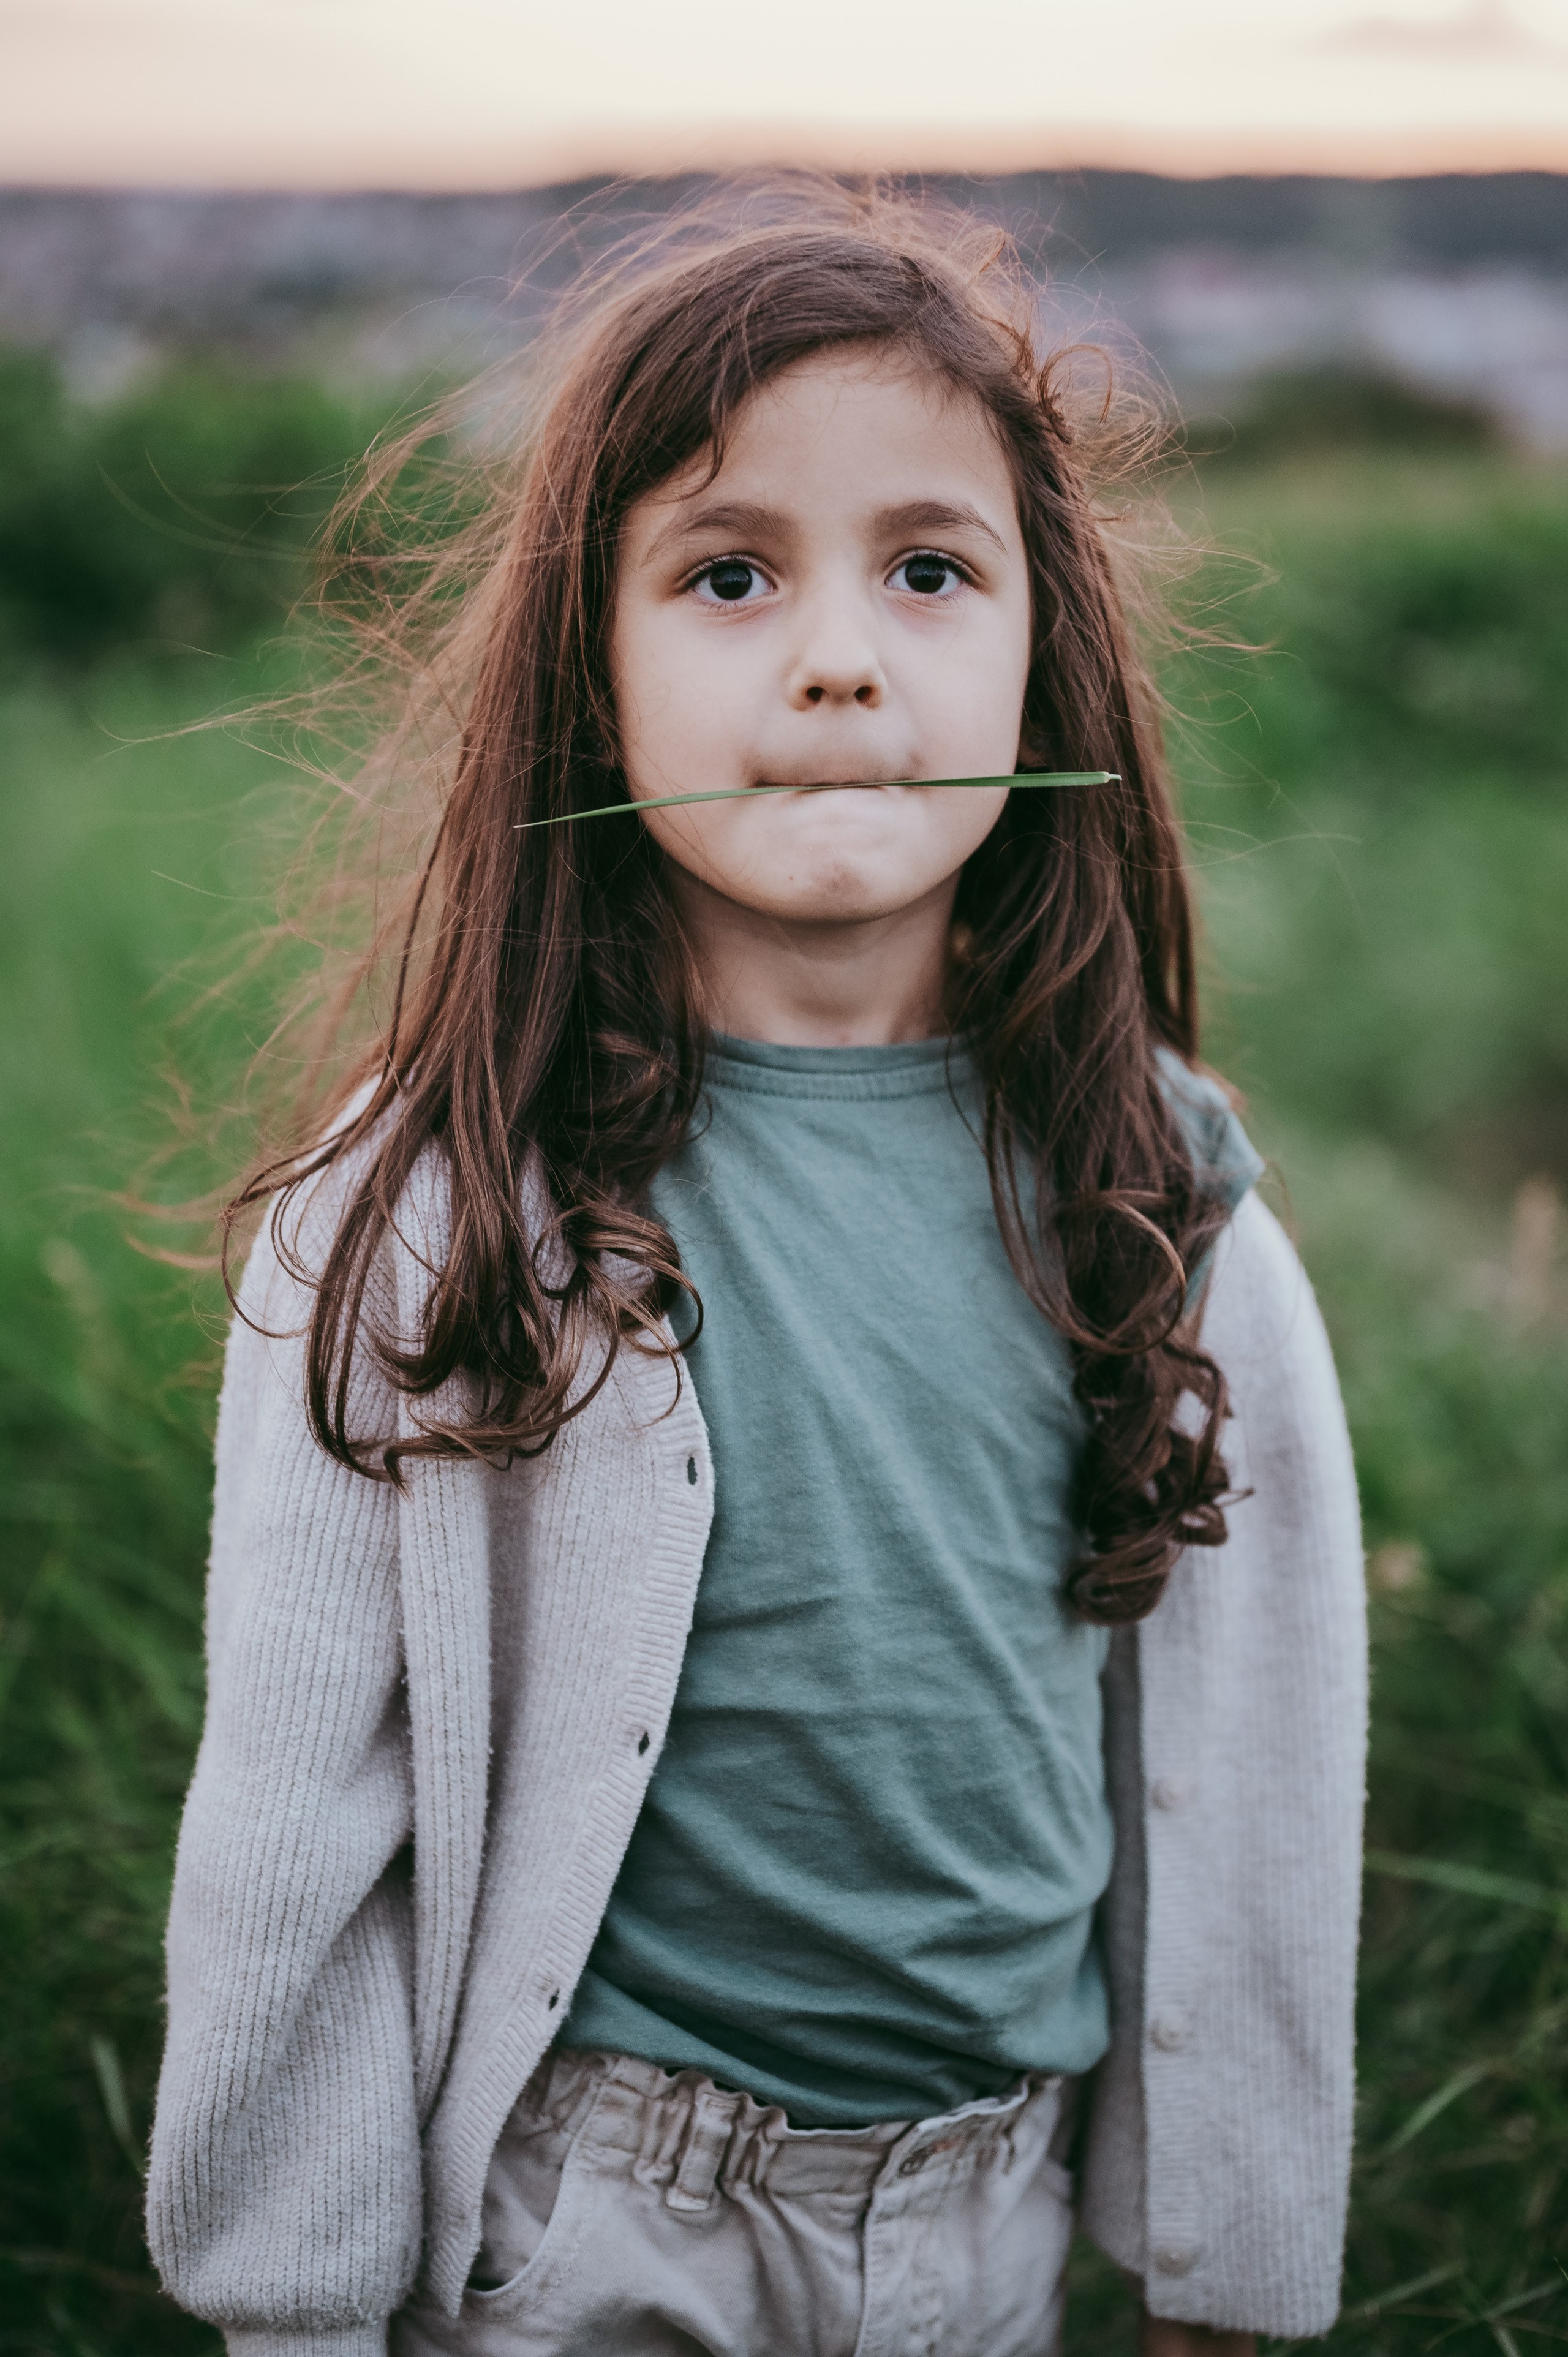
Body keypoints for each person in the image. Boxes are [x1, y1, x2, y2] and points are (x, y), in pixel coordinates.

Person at [146, 183, 1367, 2357]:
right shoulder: (438, 1208)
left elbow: (1256, 1760)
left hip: (991, 2223)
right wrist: (298, 2312)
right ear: (588, 673)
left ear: (1039, 651)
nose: (837, 653)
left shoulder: (1157, 1193)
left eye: (927, 568)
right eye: (727, 574)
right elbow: (295, 1826)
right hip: (584, 2218)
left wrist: (1226, 2268)